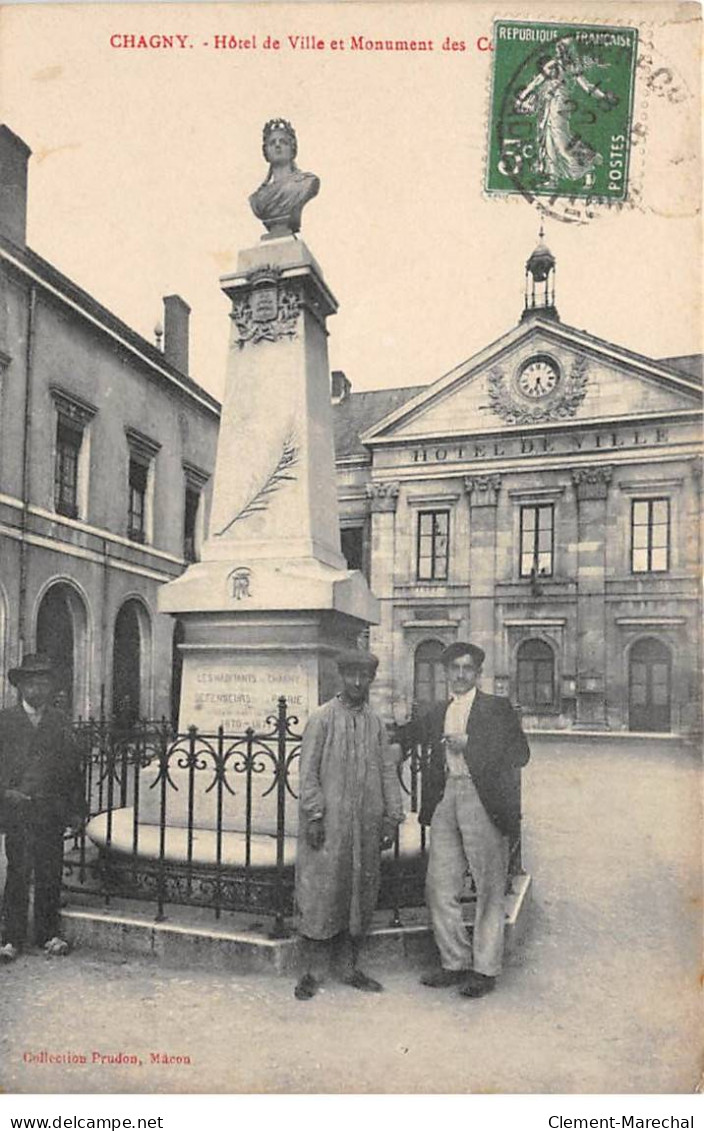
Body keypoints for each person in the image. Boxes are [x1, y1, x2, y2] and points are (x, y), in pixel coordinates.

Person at [402, 642, 530, 998]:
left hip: (482, 798)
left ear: (478, 673)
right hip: (446, 800)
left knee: (489, 887)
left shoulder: (497, 708)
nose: (460, 674)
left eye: (467, 668)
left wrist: (470, 743)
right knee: (439, 885)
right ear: (446, 673)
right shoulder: (437, 709)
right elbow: (407, 734)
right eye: (454, 668)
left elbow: (521, 753)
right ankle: (454, 962)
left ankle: (485, 969)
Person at [294, 649, 404, 1000]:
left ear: (371, 679)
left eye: (364, 676)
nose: (358, 682)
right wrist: (314, 814)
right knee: (321, 893)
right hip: (329, 825)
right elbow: (307, 772)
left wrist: (392, 815)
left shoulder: (374, 723)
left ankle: (350, 967)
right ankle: (311, 972)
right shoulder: (323, 718)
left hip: (365, 824)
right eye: (352, 675)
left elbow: (388, 771)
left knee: (359, 892)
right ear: (342, 678)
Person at [0, 654, 85, 962]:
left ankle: (48, 934)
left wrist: (77, 810)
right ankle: (11, 938)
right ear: (20, 686)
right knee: (18, 871)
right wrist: (5, 792)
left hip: (50, 809)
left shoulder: (59, 722)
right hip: (17, 810)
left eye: (44, 681)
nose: (38, 688)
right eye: (31, 682)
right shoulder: (5, 721)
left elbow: (73, 769)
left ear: (51, 687)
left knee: (50, 871)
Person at [514, 38, 618, 190]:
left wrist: (603, 96)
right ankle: (553, 178)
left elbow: (587, 86)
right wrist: (522, 97)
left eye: (562, 48)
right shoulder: (553, 65)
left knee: (563, 144)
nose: (559, 51)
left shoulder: (573, 69)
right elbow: (537, 81)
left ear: (569, 51)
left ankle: (588, 169)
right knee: (548, 141)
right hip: (548, 106)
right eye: (558, 48)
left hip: (561, 108)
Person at [249, 118, 320, 237]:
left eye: (283, 142)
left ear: (293, 149)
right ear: (265, 152)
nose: (277, 145)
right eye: (272, 142)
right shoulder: (257, 199)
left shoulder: (306, 182)